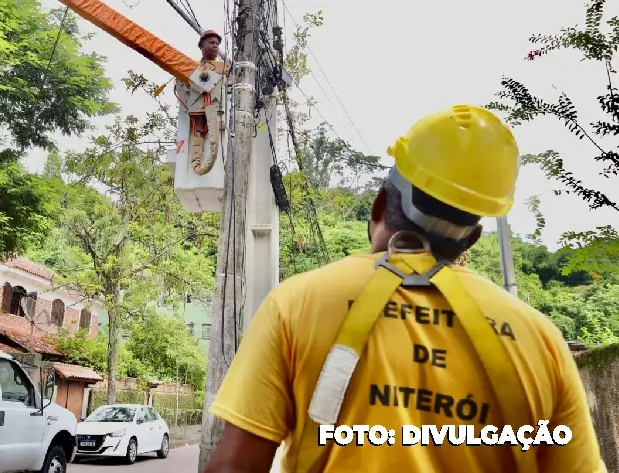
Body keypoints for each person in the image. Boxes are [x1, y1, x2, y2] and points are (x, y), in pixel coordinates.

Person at [202, 105, 606, 473]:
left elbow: (233, 468)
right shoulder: (542, 340)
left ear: (379, 205)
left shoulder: (297, 303)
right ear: (471, 240)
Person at [183, 29, 226, 175]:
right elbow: (182, 86)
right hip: (199, 112)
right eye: (211, 42)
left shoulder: (225, 68)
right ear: (202, 46)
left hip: (215, 110)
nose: (215, 46)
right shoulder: (192, 67)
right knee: (199, 130)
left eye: (217, 43)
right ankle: (196, 161)